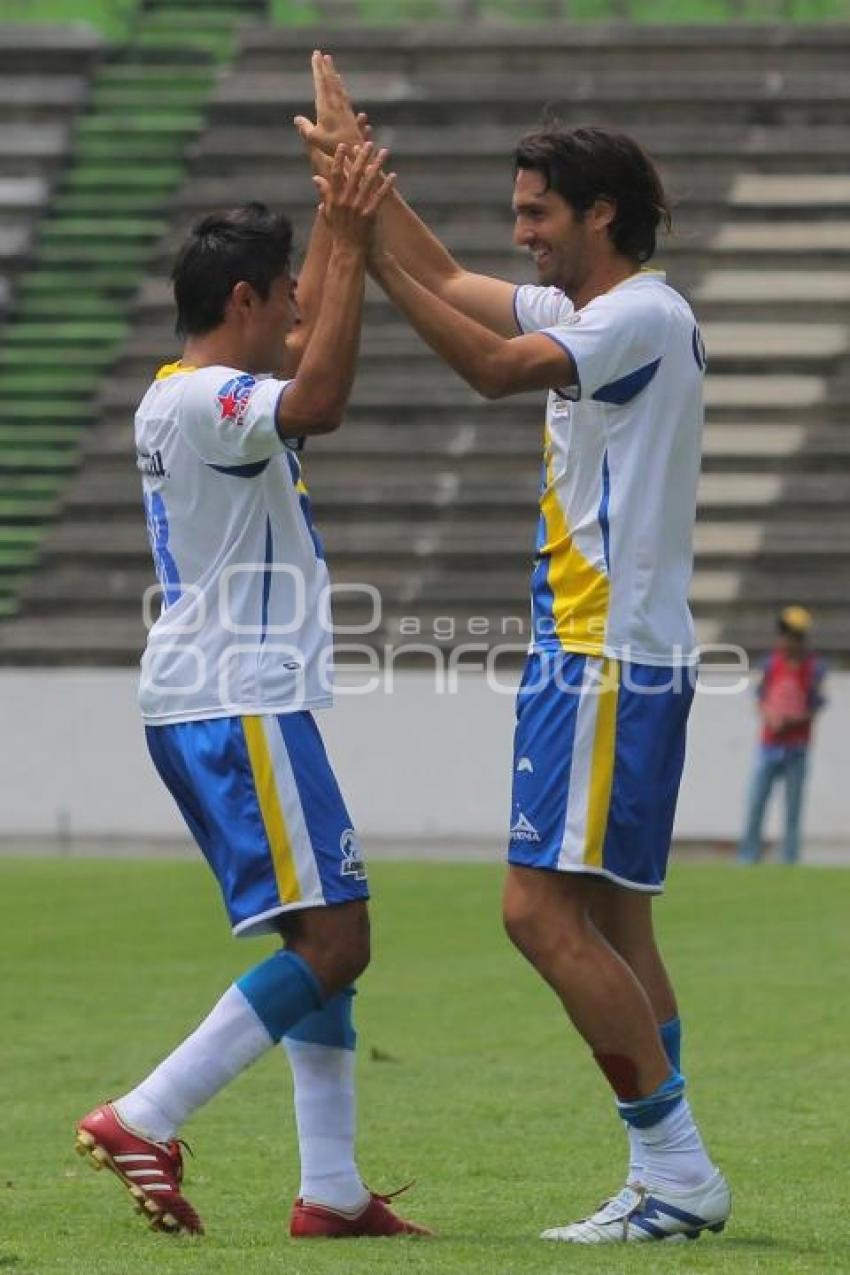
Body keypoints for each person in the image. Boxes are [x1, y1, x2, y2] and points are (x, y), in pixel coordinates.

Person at [295, 53, 731, 1244]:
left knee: (534, 913)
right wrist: (358, 178)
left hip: (597, 657)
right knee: (618, 924)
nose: (520, 232)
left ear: (601, 214)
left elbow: (489, 367)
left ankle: (677, 1170)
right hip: (618, 654)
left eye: (538, 212)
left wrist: (356, 235)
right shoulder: (603, 313)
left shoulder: (638, 312)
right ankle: (668, 1177)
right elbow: (440, 273)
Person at [74, 141, 431, 1240]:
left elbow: (307, 323)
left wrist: (339, 206)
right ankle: (145, 1113)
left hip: (216, 695)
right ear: (242, 298)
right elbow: (319, 395)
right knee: (339, 943)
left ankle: (328, 1190)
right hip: (238, 698)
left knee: (320, 945)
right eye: (283, 295)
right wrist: (357, 242)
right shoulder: (212, 403)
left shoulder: (181, 395)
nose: (299, 307)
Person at [738, 606, 826, 865]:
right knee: (756, 803)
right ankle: (748, 856)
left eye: (795, 635)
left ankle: (790, 858)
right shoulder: (769, 664)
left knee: (793, 808)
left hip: (797, 747)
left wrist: (790, 721)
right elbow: (759, 698)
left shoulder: (815, 668)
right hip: (768, 745)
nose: (789, 641)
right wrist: (771, 717)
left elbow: (816, 706)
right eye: (786, 634)